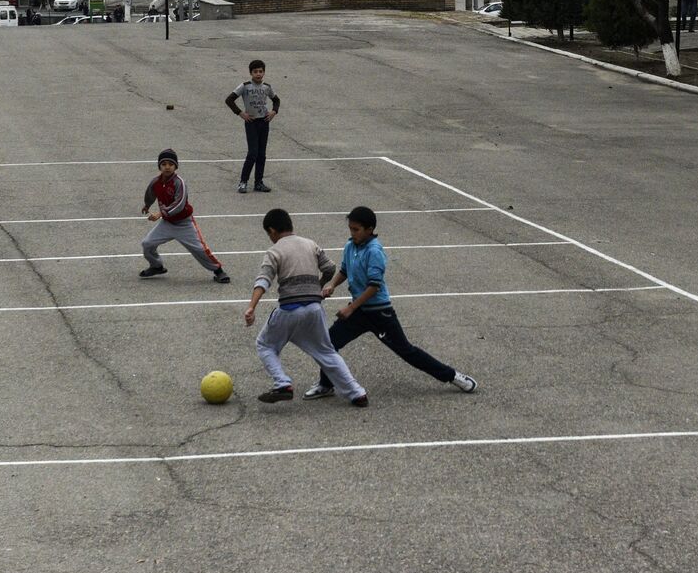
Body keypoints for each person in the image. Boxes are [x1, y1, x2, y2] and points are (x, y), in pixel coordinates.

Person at [307, 206, 477, 400]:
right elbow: (345, 271)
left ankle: (453, 376)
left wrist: (350, 308)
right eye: (351, 229)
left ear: (369, 229)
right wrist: (332, 285)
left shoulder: (375, 251)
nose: (352, 233)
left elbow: (374, 286)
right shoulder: (350, 246)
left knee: (407, 352)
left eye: (356, 229)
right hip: (359, 311)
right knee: (329, 343)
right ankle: (325, 385)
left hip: (379, 314)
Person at [244, 208, 367, 407]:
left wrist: (252, 307)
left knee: (265, 344)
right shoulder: (310, 244)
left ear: (273, 230)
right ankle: (357, 393)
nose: (270, 238)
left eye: (269, 234)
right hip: (314, 308)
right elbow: (330, 268)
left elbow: (263, 280)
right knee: (326, 352)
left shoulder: (274, 251)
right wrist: (319, 286)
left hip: (289, 309)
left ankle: (282, 383)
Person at [138, 149, 231, 282]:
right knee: (147, 244)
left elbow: (180, 204)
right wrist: (147, 205)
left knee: (199, 249)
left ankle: (218, 270)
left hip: (184, 223)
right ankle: (156, 266)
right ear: (159, 166)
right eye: (163, 164)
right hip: (167, 223)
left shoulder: (179, 182)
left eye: (170, 164)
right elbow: (150, 194)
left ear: (176, 166)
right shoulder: (156, 182)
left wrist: (160, 214)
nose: (167, 167)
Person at [225, 59, 280, 194]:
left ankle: (258, 182)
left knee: (261, 154)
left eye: (261, 71)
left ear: (264, 73)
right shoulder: (245, 86)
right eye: (255, 72)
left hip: (264, 122)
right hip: (251, 123)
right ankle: (243, 182)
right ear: (251, 73)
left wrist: (274, 112)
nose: (258, 74)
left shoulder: (266, 87)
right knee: (253, 153)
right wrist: (240, 113)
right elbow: (229, 100)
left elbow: (276, 100)